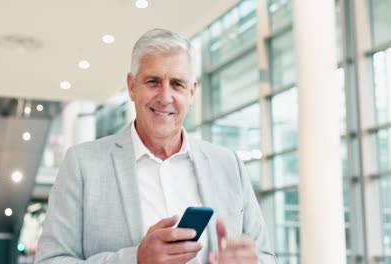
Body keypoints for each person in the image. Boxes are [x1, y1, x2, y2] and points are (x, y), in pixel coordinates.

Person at [35, 28, 276, 264]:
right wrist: (136, 259)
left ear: (192, 92)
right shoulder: (83, 164)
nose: (165, 97)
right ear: (132, 87)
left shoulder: (228, 164)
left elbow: (266, 256)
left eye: (177, 84)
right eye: (153, 81)